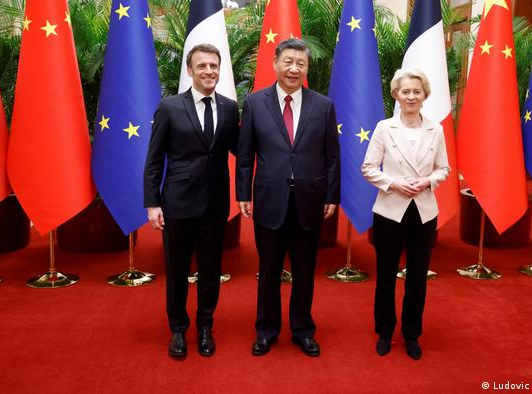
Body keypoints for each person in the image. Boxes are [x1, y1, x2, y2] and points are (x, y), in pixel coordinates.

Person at [236, 38, 340, 357]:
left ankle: (302, 330)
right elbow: (245, 154)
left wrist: (331, 195)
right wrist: (243, 194)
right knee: (268, 271)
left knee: (305, 272)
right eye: (288, 61)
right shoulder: (254, 103)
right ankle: (266, 330)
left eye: (301, 63)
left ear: (307, 68)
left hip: (310, 201)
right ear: (275, 64)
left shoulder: (323, 105)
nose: (294, 68)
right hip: (269, 200)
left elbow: (332, 156)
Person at [143, 44, 239, 358]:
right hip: (177, 205)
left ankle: (206, 326)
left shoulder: (228, 107)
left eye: (214, 65)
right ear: (189, 70)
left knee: (211, 270)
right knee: (177, 269)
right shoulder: (169, 107)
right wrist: (152, 202)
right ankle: (178, 330)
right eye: (202, 66)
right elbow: (154, 159)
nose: (209, 71)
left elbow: (241, 149)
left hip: (215, 205)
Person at [361, 68, 450, 360]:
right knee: (386, 274)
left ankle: (412, 334)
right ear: (396, 95)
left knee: (417, 277)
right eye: (405, 91)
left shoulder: (435, 129)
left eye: (416, 91)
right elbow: (368, 168)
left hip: (423, 211)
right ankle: (385, 331)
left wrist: (428, 181)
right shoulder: (384, 128)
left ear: (424, 95)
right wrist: (393, 184)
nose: (411, 96)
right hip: (389, 210)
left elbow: (444, 169)